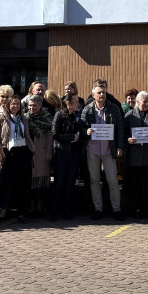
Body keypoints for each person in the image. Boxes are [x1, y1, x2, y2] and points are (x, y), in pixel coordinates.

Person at [83, 82, 126, 220]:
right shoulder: (87, 109)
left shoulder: (113, 108)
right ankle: (98, 209)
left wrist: (120, 146)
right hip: (93, 150)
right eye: (99, 92)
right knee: (94, 180)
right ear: (93, 94)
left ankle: (116, 210)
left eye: (104, 92)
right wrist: (86, 131)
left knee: (112, 180)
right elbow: (81, 126)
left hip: (109, 150)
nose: (102, 95)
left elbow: (120, 128)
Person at [0, 97, 32, 226]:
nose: (16, 106)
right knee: (4, 185)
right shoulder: (2, 118)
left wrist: (31, 149)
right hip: (8, 154)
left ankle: (21, 213)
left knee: (22, 185)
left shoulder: (23, 118)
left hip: (22, 152)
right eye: (13, 104)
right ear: (8, 105)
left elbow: (26, 135)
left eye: (18, 104)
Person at [124, 91, 148, 219]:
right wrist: (128, 140)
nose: (146, 104)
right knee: (136, 184)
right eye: (144, 102)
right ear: (138, 102)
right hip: (135, 157)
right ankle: (138, 209)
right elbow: (123, 134)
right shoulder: (128, 116)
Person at [51, 93, 84, 221]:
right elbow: (55, 134)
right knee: (59, 182)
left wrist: (83, 133)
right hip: (61, 153)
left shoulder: (75, 116)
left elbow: (80, 130)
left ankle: (67, 210)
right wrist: (71, 138)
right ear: (68, 103)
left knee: (70, 183)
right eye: (76, 102)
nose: (78, 104)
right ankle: (54, 211)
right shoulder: (59, 115)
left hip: (73, 155)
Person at [25, 94, 54, 216]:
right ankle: (31, 206)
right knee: (30, 183)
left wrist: (48, 154)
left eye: (34, 106)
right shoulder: (25, 118)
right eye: (29, 106)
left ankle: (40, 206)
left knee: (41, 182)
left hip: (42, 154)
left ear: (40, 105)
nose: (31, 108)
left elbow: (50, 138)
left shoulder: (47, 118)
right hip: (28, 153)